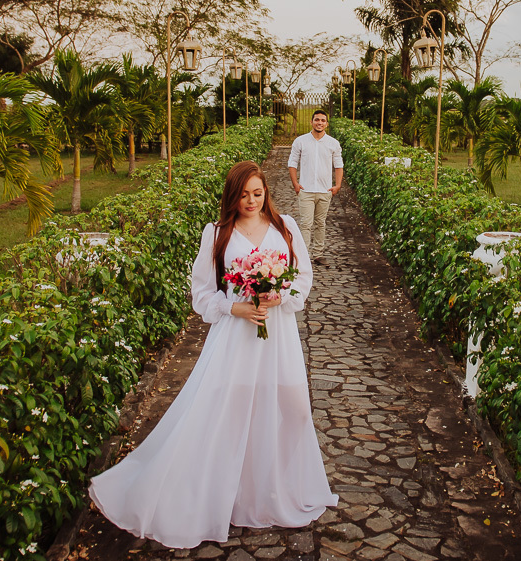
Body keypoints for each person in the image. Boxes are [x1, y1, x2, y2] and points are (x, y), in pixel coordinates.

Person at [89, 161, 337, 549]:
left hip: (279, 336)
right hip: (236, 337)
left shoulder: (285, 227)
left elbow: (302, 277)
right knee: (233, 411)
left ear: (266, 192)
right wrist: (233, 307)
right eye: (243, 195)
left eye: (258, 193)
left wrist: (280, 296)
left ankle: (277, 490)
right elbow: (203, 291)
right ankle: (227, 494)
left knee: (293, 409)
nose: (252, 201)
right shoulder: (218, 234)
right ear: (231, 196)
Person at [287, 110, 343, 265]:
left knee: (320, 223)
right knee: (305, 223)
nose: (320, 122)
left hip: (325, 191)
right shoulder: (301, 141)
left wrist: (337, 185)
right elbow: (292, 163)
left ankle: (318, 254)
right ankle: (304, 255)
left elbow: (338, 165)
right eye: (317, 120)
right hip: (306, 191)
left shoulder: (333, 143)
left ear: (326, 123)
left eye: (323, 120)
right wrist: (295, 184)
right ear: (311, 122)